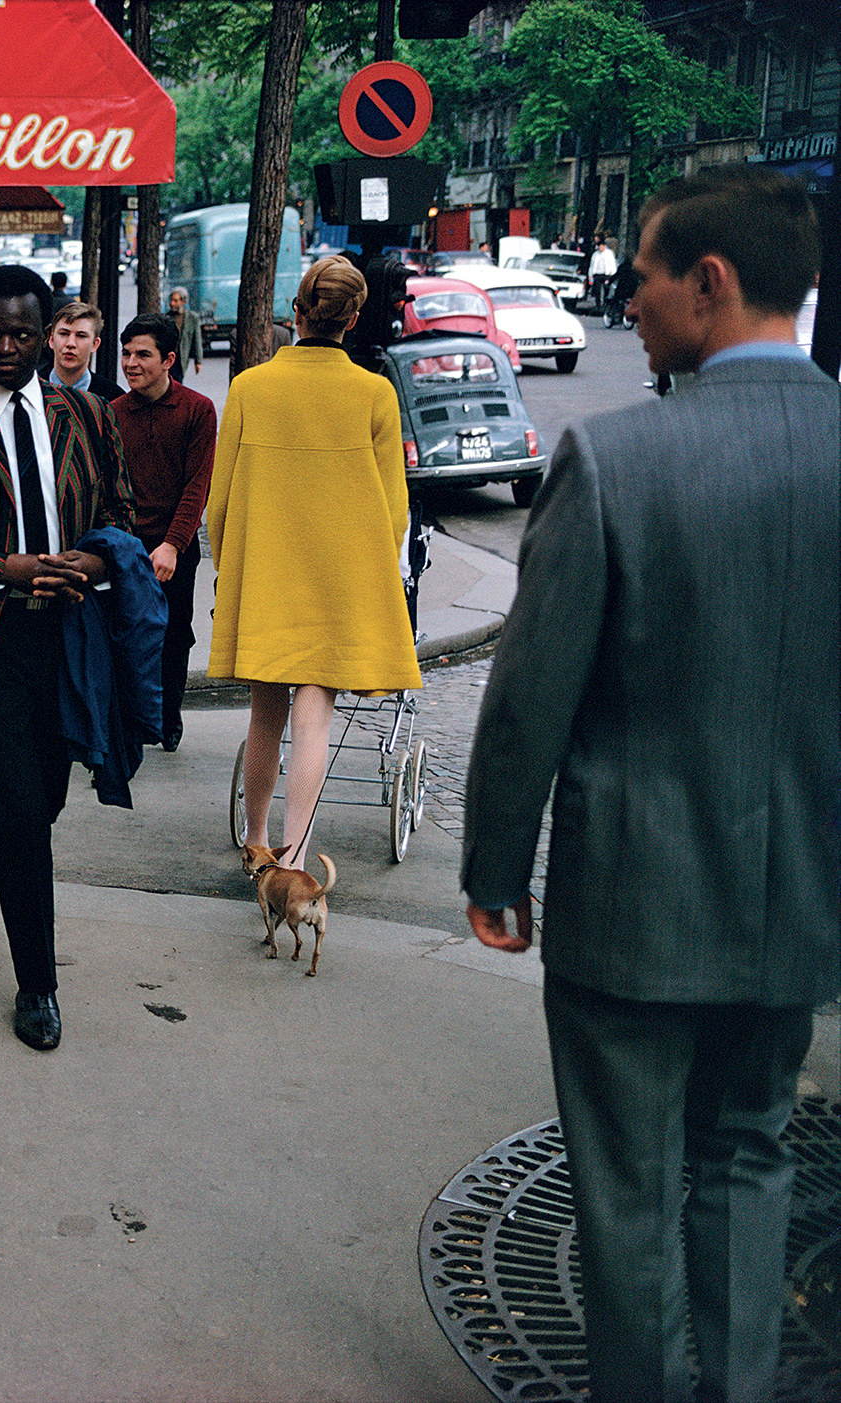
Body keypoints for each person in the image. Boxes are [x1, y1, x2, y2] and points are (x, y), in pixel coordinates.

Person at [462, 168, 837, 1403]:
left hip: (634, 907)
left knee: (626, 1188)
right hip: (799, 906)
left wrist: (495, 871)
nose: (632, 301)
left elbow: (530, 697)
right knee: (749, 1156)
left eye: (643, 279)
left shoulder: (617, 459)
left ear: (710, 283)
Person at [0, 264, 136, 1053]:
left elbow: (119, 510)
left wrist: (93, 560)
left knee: (40, 806)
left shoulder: (86, 413)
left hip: (70, 634)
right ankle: (38, 986)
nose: (7, 348)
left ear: (48, 333)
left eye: (22, 333)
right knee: (23, 812)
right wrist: (1, 570)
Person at [205, 255, 420, 870]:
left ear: (296, 312)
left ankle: (256, 839)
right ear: (352, 319)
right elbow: (393, 510)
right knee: (316, 717)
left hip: (268, 574)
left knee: (264, 715)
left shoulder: (249, 388)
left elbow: (220, 501)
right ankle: (294, 859)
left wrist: (231, 568)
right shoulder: (374, 393)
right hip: (337, 579)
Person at [109, 313, 216, 753]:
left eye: (143, 355)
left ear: (169, 359)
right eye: (127, 353)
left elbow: (197, 485)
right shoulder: (112, 413)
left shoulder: (197, 410)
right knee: (123, 632)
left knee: (174, 634)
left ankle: (168, 714)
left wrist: (173, 545)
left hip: (175, 545)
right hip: (125, 544)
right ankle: (126, 718)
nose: (131, 364)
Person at [47, 302, 113, 398]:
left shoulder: (112, 397)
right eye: (64, 334)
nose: (70, 343)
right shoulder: (29, 390)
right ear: (51, 340)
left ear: (95, 344)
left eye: (81, 336)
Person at [166, 286, 204, 383]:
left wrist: (198, 361)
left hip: (180, 358)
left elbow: (197, 340)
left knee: (178, 382)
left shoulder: (191, 318)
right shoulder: (167, 317)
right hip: (167, 357)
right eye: (171, 300)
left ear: (183, 302)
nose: (172, 303)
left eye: (175, 301)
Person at [588, 236, 618, 315]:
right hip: (597, 274)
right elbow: (592, 265)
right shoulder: (595, 254)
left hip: (606, 274)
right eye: (599, 247)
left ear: (604, 246)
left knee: (606, 289)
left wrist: (612, 274)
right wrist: (590, 275)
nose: (600, 248)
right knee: (597, 290)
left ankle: (605, 304)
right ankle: (598, 304)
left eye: (601, 247)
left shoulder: (609, 253)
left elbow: (612, 264)